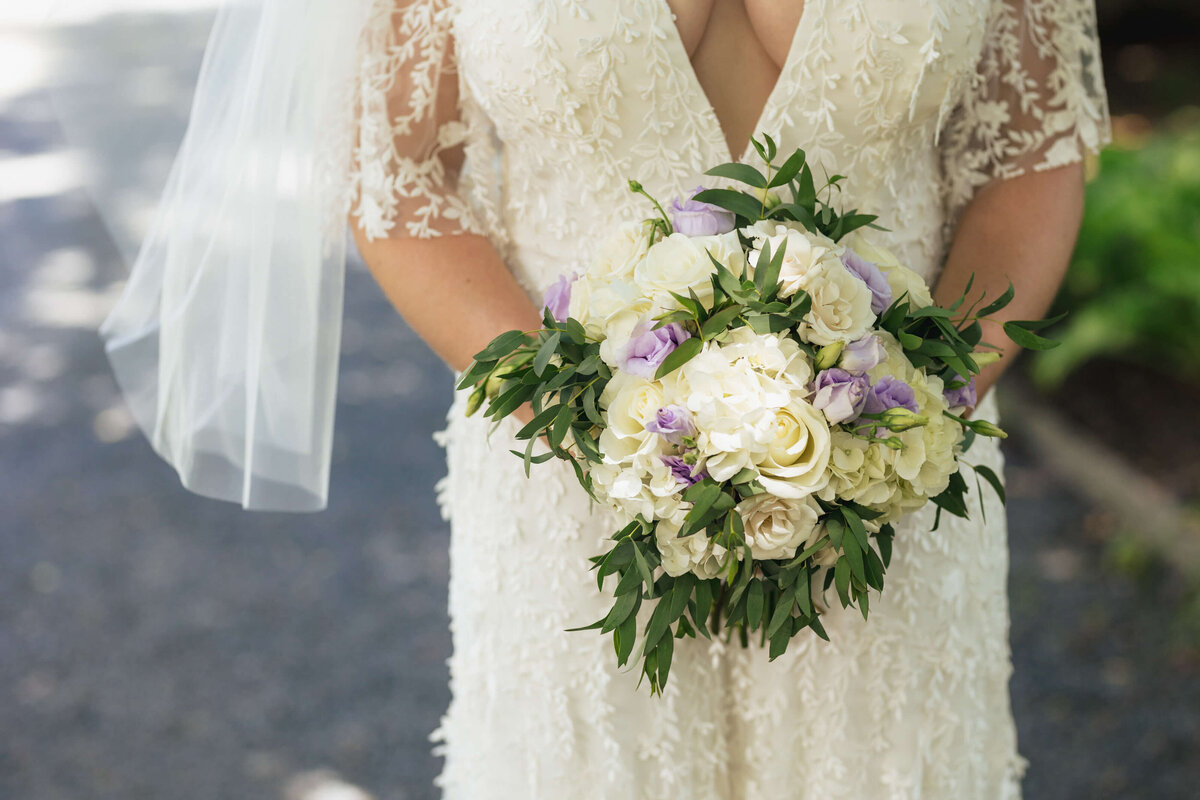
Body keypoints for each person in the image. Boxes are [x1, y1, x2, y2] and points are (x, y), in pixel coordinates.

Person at [99, 0, 1110, 796]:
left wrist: (902, 412)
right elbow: (397, 173)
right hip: (570, 496)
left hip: (891, 500)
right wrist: (599, 434)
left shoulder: (895, 439)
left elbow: (1033, 151)